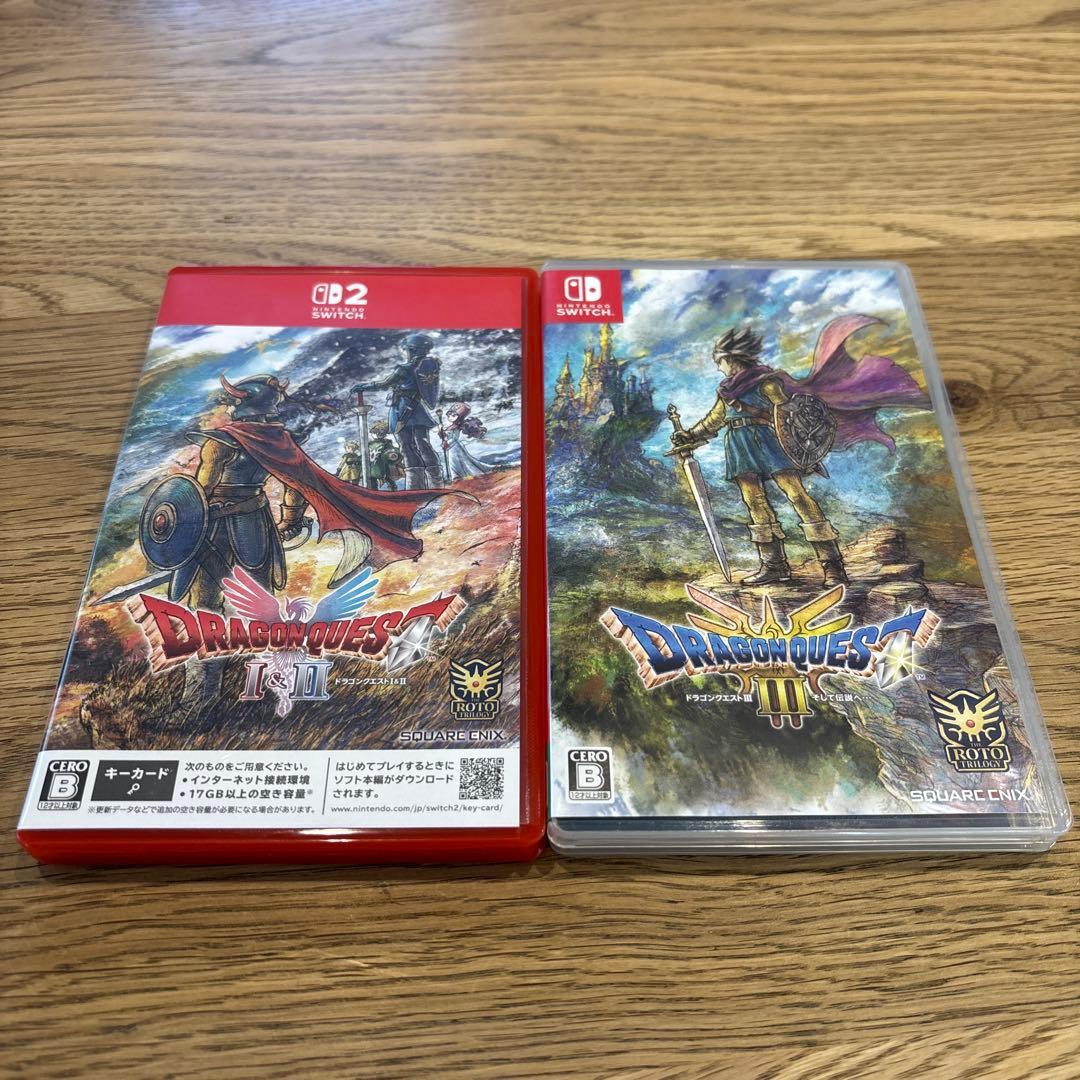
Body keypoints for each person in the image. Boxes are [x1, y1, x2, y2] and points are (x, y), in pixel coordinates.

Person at [671, 317, 928, 586]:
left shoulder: (767, 384)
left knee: (797, 496)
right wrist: (689, 435)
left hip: (770, 443)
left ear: (732, 359)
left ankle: (832, 566)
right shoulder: (726, 393)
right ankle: (774, 566)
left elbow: (794, 417)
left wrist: (800, 446)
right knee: (754, 502)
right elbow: (714, 420)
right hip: (739, 445)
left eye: (720, 361)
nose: (719, 367)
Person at [352, 333, 442, 489]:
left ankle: (415, 487)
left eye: (406, 349)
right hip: (417, 411)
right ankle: (437, 484)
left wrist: (363, 386)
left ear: (411, 350)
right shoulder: (430, 367)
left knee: (407, 447)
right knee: (423, 445)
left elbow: (384, 384)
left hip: (401, 410)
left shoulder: (404, 369)